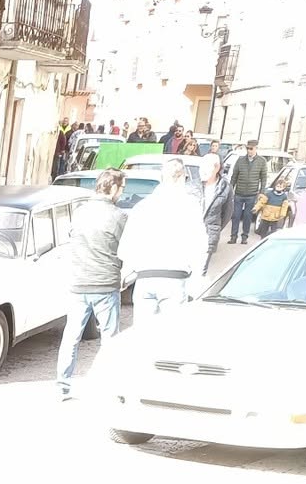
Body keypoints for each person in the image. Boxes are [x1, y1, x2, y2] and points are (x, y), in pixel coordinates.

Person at [56, 171, 127, 399]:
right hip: (105, 284)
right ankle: (109, 387)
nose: (122, 193)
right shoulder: (118, 216)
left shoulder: (80, 212)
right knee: (110, 340)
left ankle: (62, 386)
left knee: (71, 337)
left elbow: (70, 239)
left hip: (78, 282)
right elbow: (125, 248)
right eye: (122, 188)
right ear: (113, 188)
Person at [119, 159, 208, 320]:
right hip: (175, 278)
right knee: (170, 331)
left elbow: (127, 246)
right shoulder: (190, 206)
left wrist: (126, 273)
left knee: (143, 331)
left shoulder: (142, 206)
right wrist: (197, 278)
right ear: (182, 178)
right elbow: (199, 245)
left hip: (145, 278)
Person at [228, 142, 267, 244]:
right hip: (239, 193)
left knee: (247, 217)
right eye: (248, 148)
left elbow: (263, 178)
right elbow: (234, 176)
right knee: (236, 216)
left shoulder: (261, 161)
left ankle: (244, 237)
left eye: (251, 148)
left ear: (256, 148)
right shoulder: (240, 160)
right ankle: (233, 236)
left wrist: (262, 192)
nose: (249, 151)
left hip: (252, 194)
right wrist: (230, 190)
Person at [197, 151, 230, 269]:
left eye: (206, 167)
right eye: (201, 167)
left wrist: (215, 227)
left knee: (202, 269)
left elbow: (227, 213)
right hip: (191, 232)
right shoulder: (193, 186)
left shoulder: (225, 188)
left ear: (217, 167)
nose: (202, 170)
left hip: (210, 234)